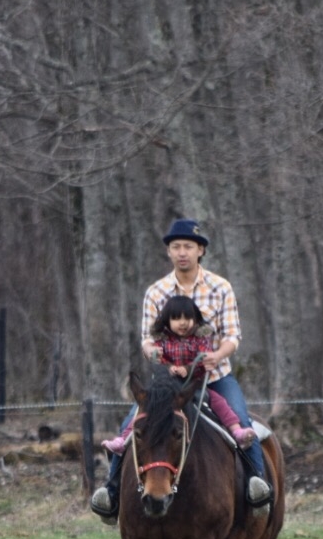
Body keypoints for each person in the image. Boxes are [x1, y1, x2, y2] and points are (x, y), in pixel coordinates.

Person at [90, 218, 272, 521]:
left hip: (213, 378)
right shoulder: (156, 291)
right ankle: (110, 491)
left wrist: (216, 355)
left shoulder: (220, 287)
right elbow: (147, 339)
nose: (182, 252)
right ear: (169, 252)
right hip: (168, 382)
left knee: (239, 420)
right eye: (176, 247)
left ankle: (256, 484)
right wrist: (155, 355)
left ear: (200, 250)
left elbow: (233, 337)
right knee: (133, 425)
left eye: (188, 246)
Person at [102, 294, 255, 452]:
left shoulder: (200, 339)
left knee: (217, 401)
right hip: (167, 388)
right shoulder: (162, 340)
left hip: (192, 387)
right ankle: (123, 440)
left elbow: (204, 357)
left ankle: (237, 431)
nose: (182, 323)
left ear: (195, 319)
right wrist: (168, 367)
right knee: (143, 411)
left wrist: (188, 368)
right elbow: (157, 362)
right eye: (176, 318)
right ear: (168, 320)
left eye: (187, 318)